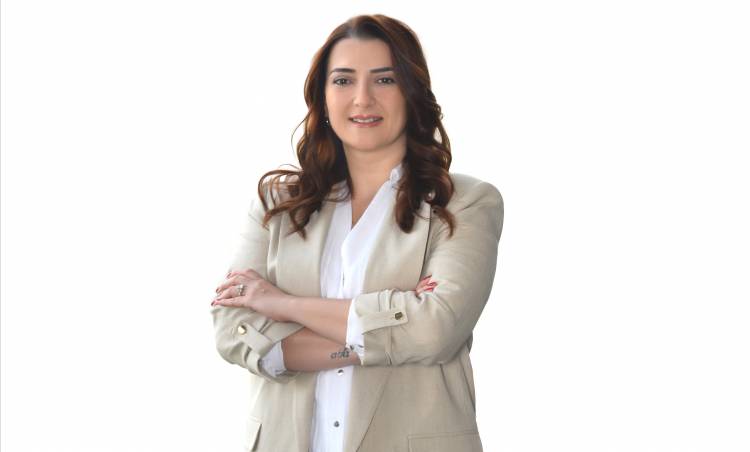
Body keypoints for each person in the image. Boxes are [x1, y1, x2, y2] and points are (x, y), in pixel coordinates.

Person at [209, 14, 504, 452]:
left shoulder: (464, 203)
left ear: (412, 92)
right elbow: (233, 330)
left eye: (384, 79)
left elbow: (434, 330)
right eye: (343, 80)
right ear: (323, 96)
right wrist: (386, 331)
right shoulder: (276, 205)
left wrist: (282, 305)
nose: (362, 98)